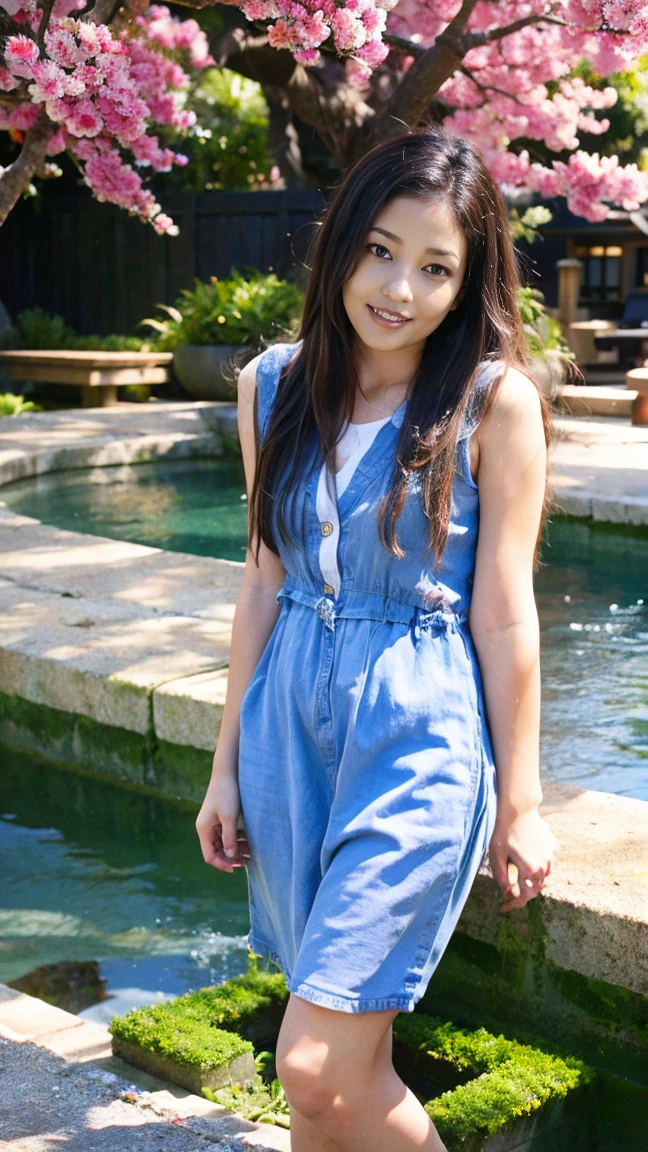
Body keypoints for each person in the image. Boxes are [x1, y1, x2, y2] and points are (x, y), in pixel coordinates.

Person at [196, 127, 557, 1152]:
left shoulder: (494, 404)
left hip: (417, 737)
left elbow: (505, 611)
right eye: (381, 251)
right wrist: (223, 767)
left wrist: (521, 800)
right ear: (343, 245)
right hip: (286, 732)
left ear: (468, 280)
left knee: (309, 1066)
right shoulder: (271, 385)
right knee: (339, 1080)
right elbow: (263, 581)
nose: (400, 287)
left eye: (437, 266)